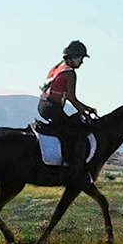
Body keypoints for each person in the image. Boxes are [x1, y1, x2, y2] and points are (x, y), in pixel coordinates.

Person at [38, 40, 97, 186]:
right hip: (53, 108)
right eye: (81, 58)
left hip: (43, 105)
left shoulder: (57, 67)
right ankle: (71, 170)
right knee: (76, 134)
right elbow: (71, 97)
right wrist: (83, 111)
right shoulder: (70, 73)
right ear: (72, 57)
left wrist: (86, 108)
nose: (82, 62)